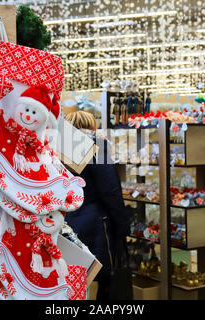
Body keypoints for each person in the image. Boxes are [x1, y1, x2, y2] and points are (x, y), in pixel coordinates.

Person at [64, 110, 130, 300]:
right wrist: (122, 227)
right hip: (94, 222)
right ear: (92, 127)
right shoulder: (95, 148)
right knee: (98, 276)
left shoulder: (57, 150)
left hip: (67, 219)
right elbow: (110, 191)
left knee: (74, 275)